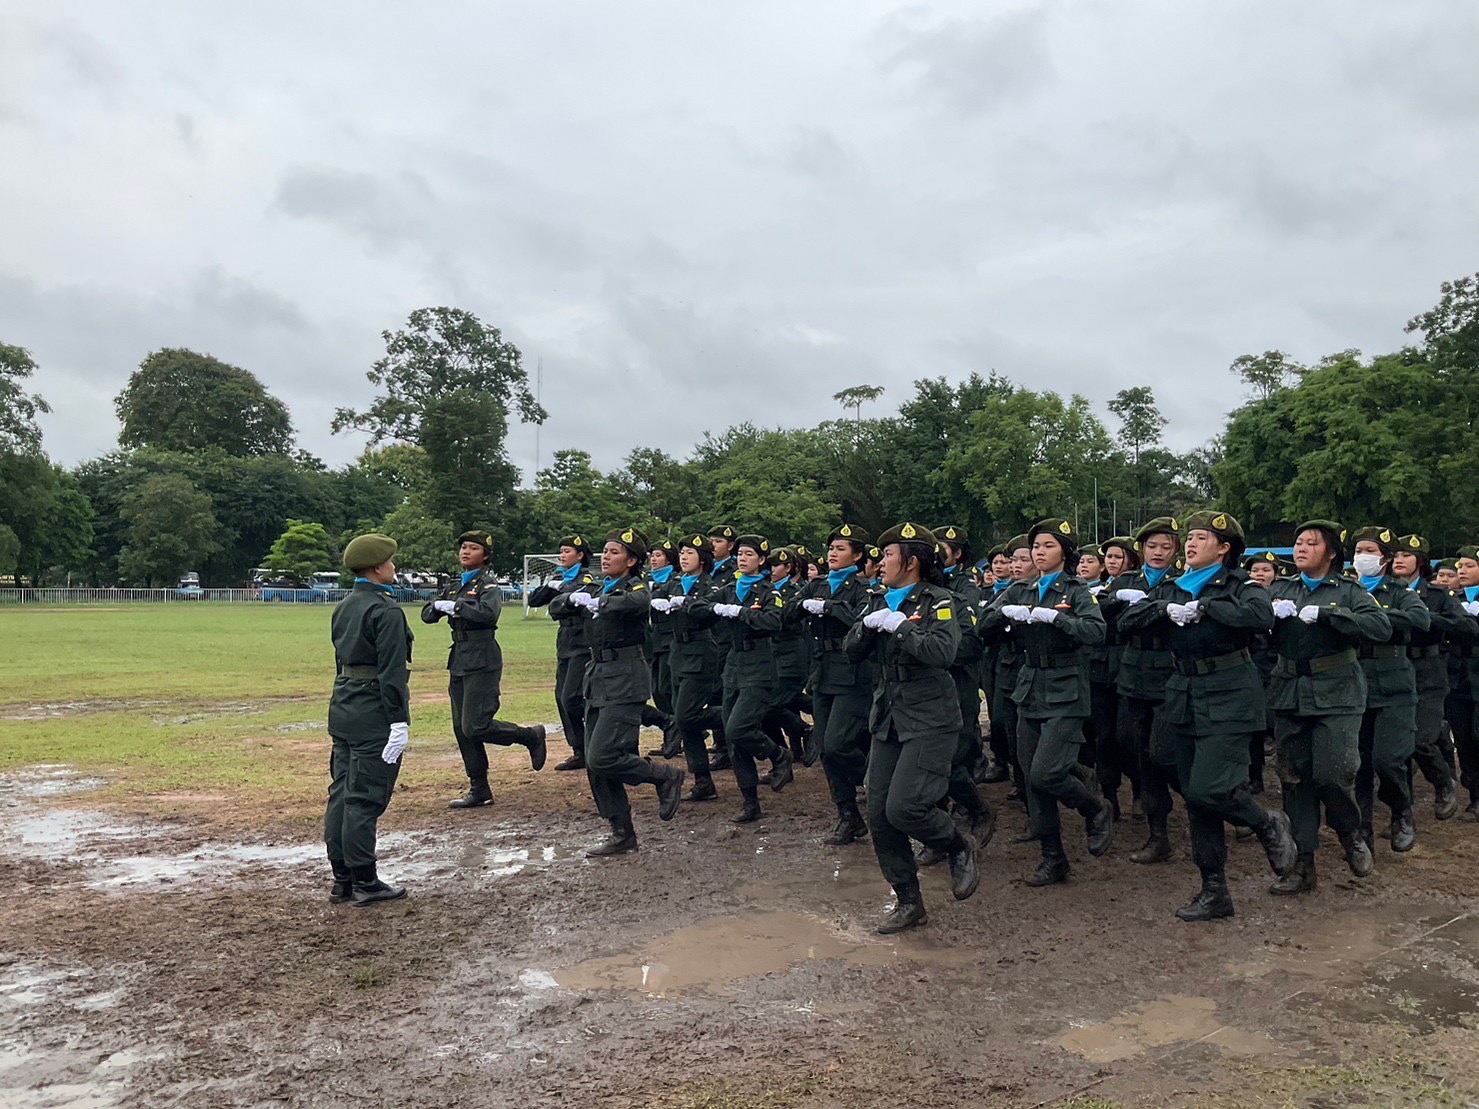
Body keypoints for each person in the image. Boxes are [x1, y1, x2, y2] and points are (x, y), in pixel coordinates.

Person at [1117, 511, 1298, 920]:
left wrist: (1208, 607)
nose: (1191, 544)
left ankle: (1266, 822)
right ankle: (1214, 890)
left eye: (1201, 537)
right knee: (1188, 787)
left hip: (1229, 692)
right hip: (1183, 692)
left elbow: (1260, 617)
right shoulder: (1172, 586)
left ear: (1224, 548)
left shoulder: (1240, 585)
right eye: (1191, 537)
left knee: (1207, 788)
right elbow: (1126, 622)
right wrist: (1164, 610)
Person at [844, 522, 979, 933]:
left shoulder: (939, 600)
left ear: (912, 561)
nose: (880, 561)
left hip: (930, 716)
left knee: (905, 807)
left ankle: (957, 844)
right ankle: (908, 900)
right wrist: (867, 627)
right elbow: (851, 651)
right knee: (879, 814)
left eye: (888, 554)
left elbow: (943, 652)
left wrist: (901, 627)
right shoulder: (877, 599)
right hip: (889, 717)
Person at [984, 518, 1111, 886]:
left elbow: (1095, 631)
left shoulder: (1076, 591)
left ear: (1065, 553)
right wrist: (1002, 617)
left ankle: (1094, 807)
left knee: (1046, 772)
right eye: (1036, 546)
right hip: (1030, 686)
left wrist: (1058, 619)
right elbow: (983, 627)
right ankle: (1053, 857)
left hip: (1066, 688)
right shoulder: (1021, 590)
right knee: (1032, 777)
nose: (1039, 552)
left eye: (1048, 546)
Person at [1266, 520, 1392, 893]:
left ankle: (1349, 832)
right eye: (1298, 542)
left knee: (1334, 773)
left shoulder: (1349, 591)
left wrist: (1330, 616)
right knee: (1294, 780)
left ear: (1332, 553)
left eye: (1312, 543)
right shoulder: (1281, 589)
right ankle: (1303, 864)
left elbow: (1380, 628)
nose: (1301, 548)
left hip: (1337, 693)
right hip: (1290, 692)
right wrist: (1268, 616)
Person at [566, 528, 686, 856]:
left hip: (625, 678)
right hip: (598, 677)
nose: (605, 557)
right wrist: (572, 598)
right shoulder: (596, 586)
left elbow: (638, 602)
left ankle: (664, 776)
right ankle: (622, 833)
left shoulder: (634, 587)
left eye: (614, 552)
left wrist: (601, 602)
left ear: (631, 561)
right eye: (604, 551)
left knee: (602, 756)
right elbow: (558, 605)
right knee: (595, 763)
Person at [422, 530, 546, 809]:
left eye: (473, 548)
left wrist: (457, 607)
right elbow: (427, 614)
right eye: (463, 547)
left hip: (482, 656)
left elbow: (488, 614)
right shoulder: (455, 585)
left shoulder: (488, 585)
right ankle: (480, 788)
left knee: (475, 726)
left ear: (486, 556)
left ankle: (529, 736)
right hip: (459, 657)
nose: (465, 552)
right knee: (461, 728)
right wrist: (438, 607)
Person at [326, 533, 413, 907]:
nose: (393, 567)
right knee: (364, 797)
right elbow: (392, 672)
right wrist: (398, 720)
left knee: (341, 793)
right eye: (390, 562)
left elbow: (340, 661)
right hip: (372, 711)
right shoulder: (386, 610)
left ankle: (342, 879)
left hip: (344, 705)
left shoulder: (344, 606)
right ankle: (365, 880)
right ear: (378, 567)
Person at [689, 535, 795, 823]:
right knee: (733, 738)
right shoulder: (729, 589)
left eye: (749, 554)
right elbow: (695, 608)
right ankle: (750, 801)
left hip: (759, 665)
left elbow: (774, 621)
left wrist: (743, 613)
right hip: (733, 665)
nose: (742, 559)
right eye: (740, 554)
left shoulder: (768, 591)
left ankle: (778, 755)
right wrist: (716, 609)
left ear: (761, 560)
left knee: (738, 728)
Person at [1349, 526, 1431, 852]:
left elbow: (1420, 619)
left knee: (1388, 759)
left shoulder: (1398, 591)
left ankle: (1401, 811)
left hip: (1394, 682)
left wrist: (1370, 617)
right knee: (1358, 764)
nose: (1362, 557)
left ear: (1384, 558)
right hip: (1353, 682)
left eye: (1370, 551)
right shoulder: (1348, 589)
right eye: (1358, 550)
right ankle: (1362, 831)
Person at [1109, 517, 1182, 863]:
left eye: (1166, 547)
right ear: (1141, 549)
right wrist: (1116, 598)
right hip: (1132, 671)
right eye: (1152, 546)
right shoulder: (1126, 581)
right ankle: (1157, 826)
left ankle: (1169, 824)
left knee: (1162, 752)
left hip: (1167, 672)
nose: (1158, 552)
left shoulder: (1180, 583)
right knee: (1131, 744)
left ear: (1176, 552)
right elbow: (1103, 613)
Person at [799, 524, 877, 844]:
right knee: (825, 749)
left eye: (841, 548)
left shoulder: (863, 588)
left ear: (857, 556)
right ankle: (848, 815)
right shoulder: (817, 585)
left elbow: (861, 621)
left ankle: (876, 779)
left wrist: (829, 607)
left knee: (837, 744)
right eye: (831, 547)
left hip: (852, 673)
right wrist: (802, 604)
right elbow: (787, 613)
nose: (832, 553)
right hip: (822, 672)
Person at [928, 525, 996, 853]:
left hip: (957, 684)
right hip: (924, 690)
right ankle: (937, 833)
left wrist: (932, 652)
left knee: (951, 762)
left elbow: (971, 642)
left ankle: (977, 809)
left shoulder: (961, 590)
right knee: (929, 765)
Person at [1392, 533, 1465, 821]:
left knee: (1420, 739)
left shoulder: (1437, 595)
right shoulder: (1386, 592)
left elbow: (1463, 626)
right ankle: (1403, 812)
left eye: (1406, 556)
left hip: (1428, 672)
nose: (1399, 560)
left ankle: (1443, 781)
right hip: (1395, 669)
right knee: (1397, 748)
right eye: (1396, 555)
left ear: (1420, 562)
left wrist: (1424, 618)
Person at [654, 534, 728, 801]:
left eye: (690, 553)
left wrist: (685, 604)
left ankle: (736, 715)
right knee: (686, 721)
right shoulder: (674, 582)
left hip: (700, 650)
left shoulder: (712, 585)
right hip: (677, 651)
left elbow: (708, 611)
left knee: (686, 716)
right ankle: (703, 781)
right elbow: (654, 598)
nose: (684, 557)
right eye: (682, 552)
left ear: (703, 559)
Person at [527, 535, 598, 771]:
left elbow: (578, 597)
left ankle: (592, 743)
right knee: (561, 697)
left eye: (567, 551)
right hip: (565, 641)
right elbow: (535, 600)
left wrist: (564, 590)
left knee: (572, 697)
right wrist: (549, 585)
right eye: (561, 551)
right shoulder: (560, 578)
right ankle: (579, 750)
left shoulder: (584, 578)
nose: (562, 555)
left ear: (580, 555)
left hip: (582, 640)